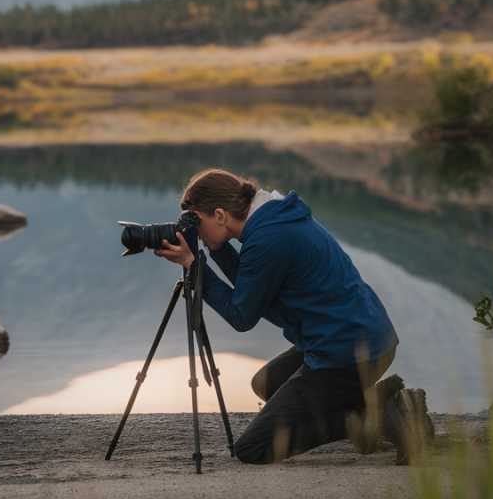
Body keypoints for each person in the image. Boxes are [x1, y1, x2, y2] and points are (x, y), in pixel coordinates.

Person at [155, 169, 433, 465]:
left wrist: (193, 264)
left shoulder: (268, 238)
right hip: (363, 336)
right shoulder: (274, 217)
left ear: (221, 215)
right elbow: (252, 286)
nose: (195, 230)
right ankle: (387, 404)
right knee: (268, 383)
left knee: (254, 448)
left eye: (199, 222)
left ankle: (381, 420)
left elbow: (241, 315)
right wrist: (213, 250)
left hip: (346, 353)